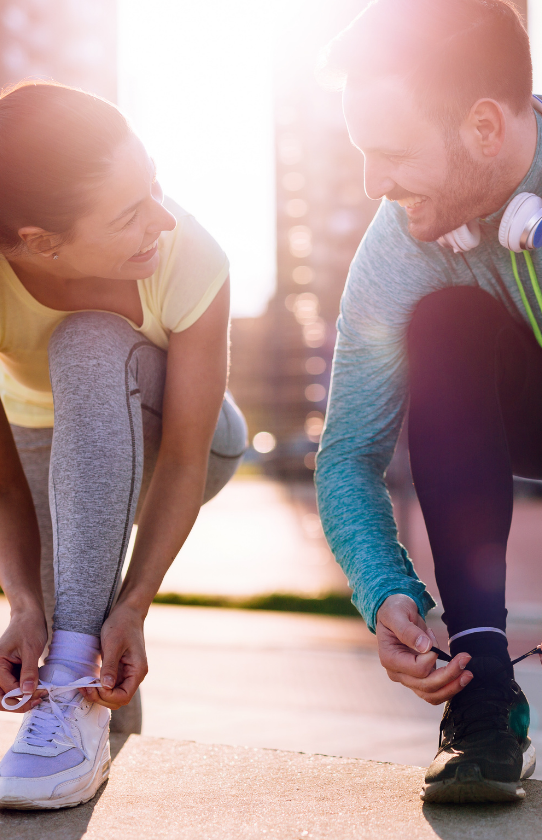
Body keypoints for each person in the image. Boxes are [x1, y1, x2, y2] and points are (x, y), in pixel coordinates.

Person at [0, 82, 247, 809]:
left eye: (154, 186)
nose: (162, 220)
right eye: (129, 214)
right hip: (43, 453)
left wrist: (138, 602)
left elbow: (180, 458)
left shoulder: (189, 256)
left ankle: (84, 665)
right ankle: (85, 758)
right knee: (75, 638)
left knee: (89, 342)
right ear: (42, 244)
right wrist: (23, 607)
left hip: (183, 442)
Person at [315, 0, 542, 804]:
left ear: (485, 127)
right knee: (445, 321)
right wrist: (384, 588)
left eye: (391, 154)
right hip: (524, 414)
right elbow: (347, 452)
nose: (375, 184)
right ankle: (483, 703)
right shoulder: (399, 242)